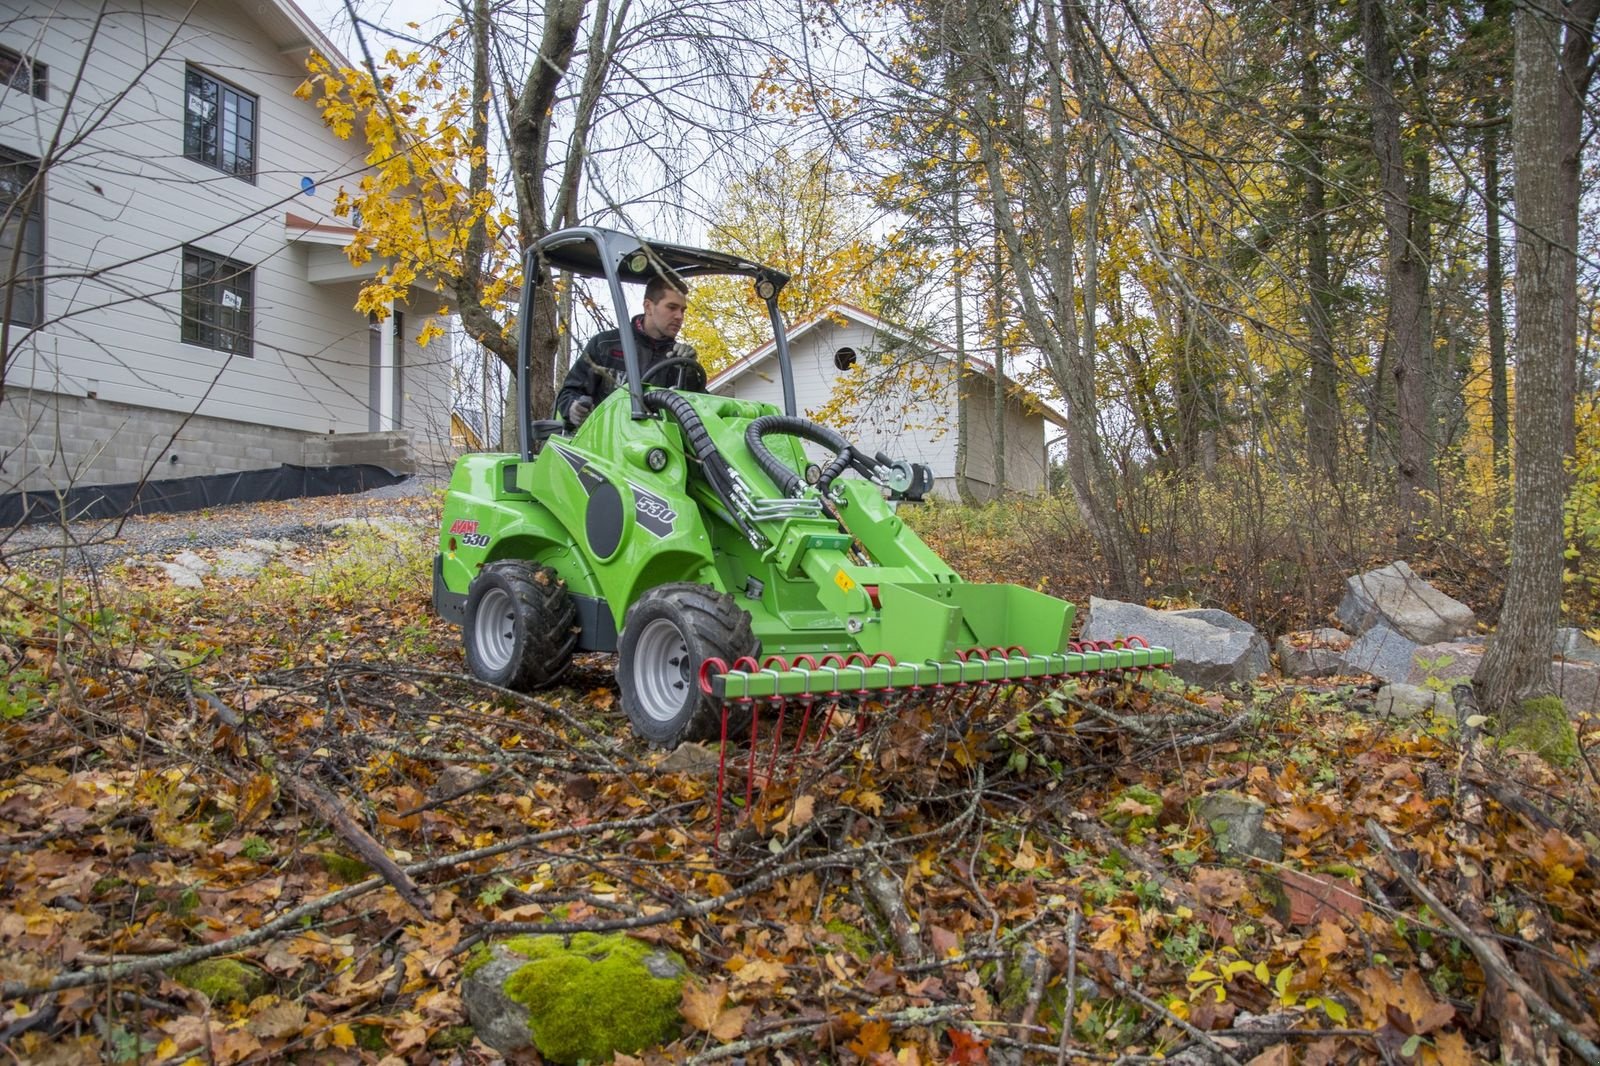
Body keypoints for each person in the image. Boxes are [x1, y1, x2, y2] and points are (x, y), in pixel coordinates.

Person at [555, 275, 707, 428]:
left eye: (683, 310)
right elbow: (569, 392)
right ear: (648, 306)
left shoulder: (678, 360)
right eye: (672, 307)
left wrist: (690, 373)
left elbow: (702, 409)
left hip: (658, 444)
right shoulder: (605, 345)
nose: (679, 316)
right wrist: (573, 408)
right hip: (604, 439)